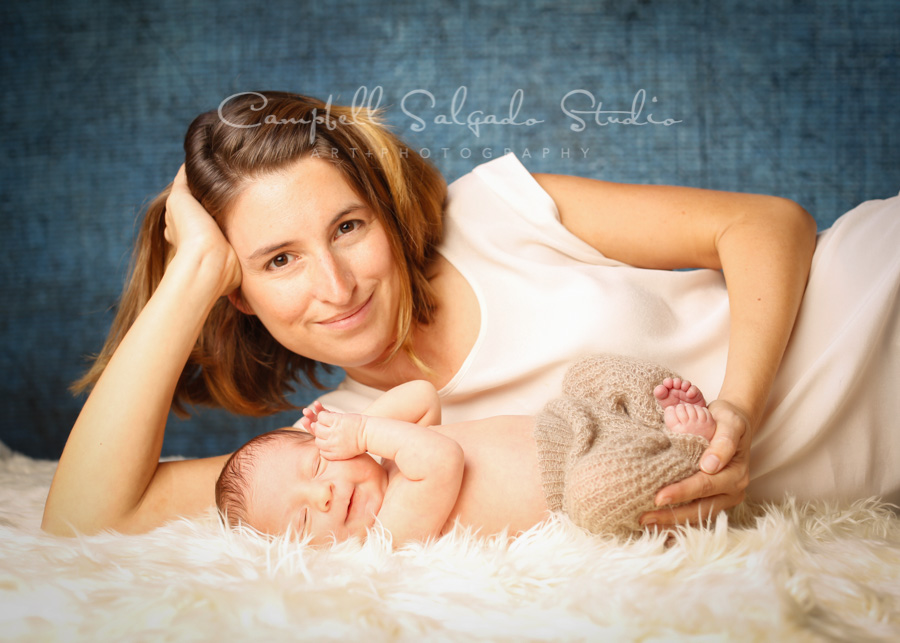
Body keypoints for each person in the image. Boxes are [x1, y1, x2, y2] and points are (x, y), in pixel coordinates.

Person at [42, 91, 900, 537]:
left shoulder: (496, 212)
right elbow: (85, 518)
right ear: (238, 290)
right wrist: (188, 272)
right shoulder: (347, 449)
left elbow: (768, 224)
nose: (336, 285)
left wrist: (737, 410)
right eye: (277, 260)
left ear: (383, 209)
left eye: (348, 227)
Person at [216, 355, 716, 545]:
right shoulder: (392, 530)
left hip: (565, 426)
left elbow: (422, 396)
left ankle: (654, 409)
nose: (323, 495)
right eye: (302, 520)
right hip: (576, 482)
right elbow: (441, 460)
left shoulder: (388, 456)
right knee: (602, 493)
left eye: (317, 462)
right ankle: (683, 446)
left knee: (585, 374)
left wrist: (351, 426)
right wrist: (362, 436)